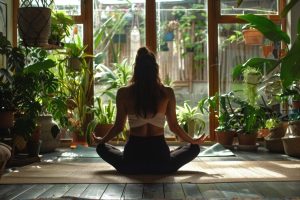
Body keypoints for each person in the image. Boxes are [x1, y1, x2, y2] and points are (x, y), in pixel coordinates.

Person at [92, 46, 207, 174]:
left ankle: (131, 164)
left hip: (132, 160)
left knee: (101, 148)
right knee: (194, 148)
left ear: (136, 69)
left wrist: (101, 140)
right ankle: (169, 157)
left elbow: (119, 127)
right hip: (161, 159)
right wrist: (193, 141)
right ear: (155, 69)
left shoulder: (124, 93)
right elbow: (174, 126)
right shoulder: (167, 92)